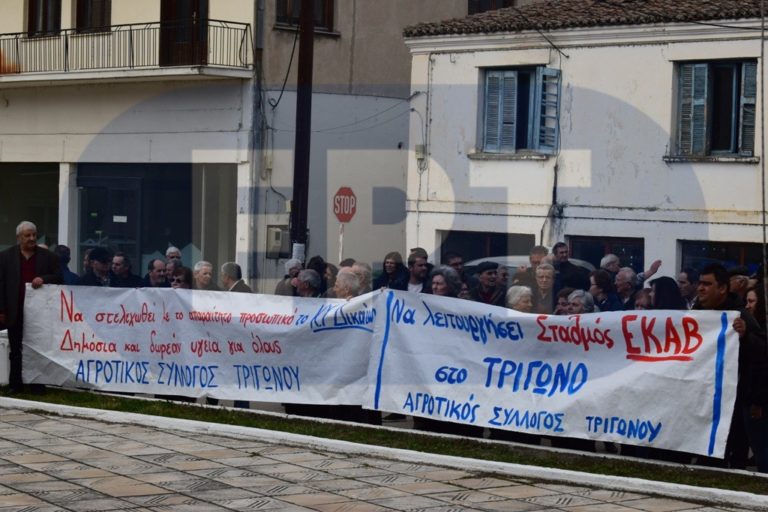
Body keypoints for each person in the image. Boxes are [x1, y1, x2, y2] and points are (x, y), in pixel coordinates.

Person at [694, 263, 765, 470]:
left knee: (732, 456)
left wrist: (745, 337)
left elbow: (762, 354)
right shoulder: (695, 313)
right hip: (700, 399)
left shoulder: (741, 317)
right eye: (699, 283)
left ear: (723, 288)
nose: (700, 288)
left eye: (707, 284)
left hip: (732, 404)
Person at [0, 221, 62, 392]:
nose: (32, 238)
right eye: (27, 235)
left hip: (39, 313)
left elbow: (59, 277)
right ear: (19, 237)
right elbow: (1, 285)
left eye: (34, 234)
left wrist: (44, 279)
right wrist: (2, 310)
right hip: (15, 309)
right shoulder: (5, 257)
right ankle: (15, 383)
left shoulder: (48, 257)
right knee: (15, 348)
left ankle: (37, 384)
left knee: (37, 348)